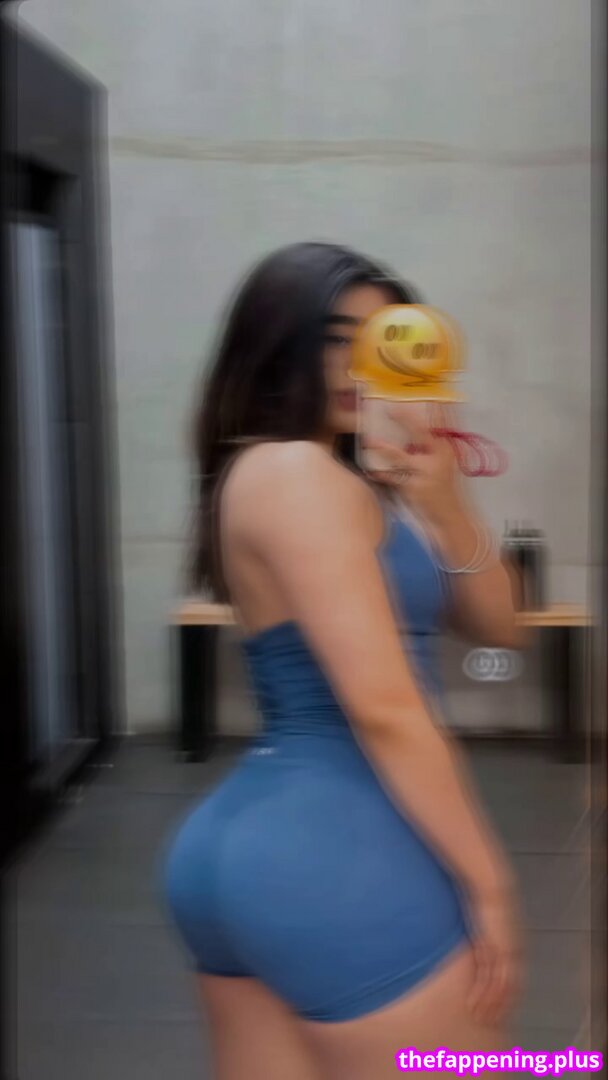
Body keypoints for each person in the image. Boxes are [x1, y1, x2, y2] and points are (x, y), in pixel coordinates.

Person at [163, 241, 524, 1080]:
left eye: (382, 339)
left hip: (249, 854)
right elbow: (385, 709)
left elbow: (503, 628)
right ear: (275, 345)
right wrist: (492, 886)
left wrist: (448, 505)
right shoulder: (295, 472)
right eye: (336, 338)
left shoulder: (328, 479)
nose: (361, 363)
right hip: (339, 853)